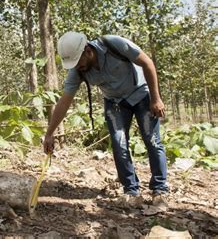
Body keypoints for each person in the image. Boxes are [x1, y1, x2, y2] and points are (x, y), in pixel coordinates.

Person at [43, 31, 169, 206]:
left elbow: (147, 63)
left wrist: (156, 98)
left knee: (152, 140)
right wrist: (49, 133)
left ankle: (160, 189)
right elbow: (64, 103)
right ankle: (131, 191)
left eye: (78, 61)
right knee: (119, 144)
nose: (77, 66)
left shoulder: (113, 44)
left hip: (142, 95)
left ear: (87, 51)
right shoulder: (77, 71)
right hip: (115, 103)